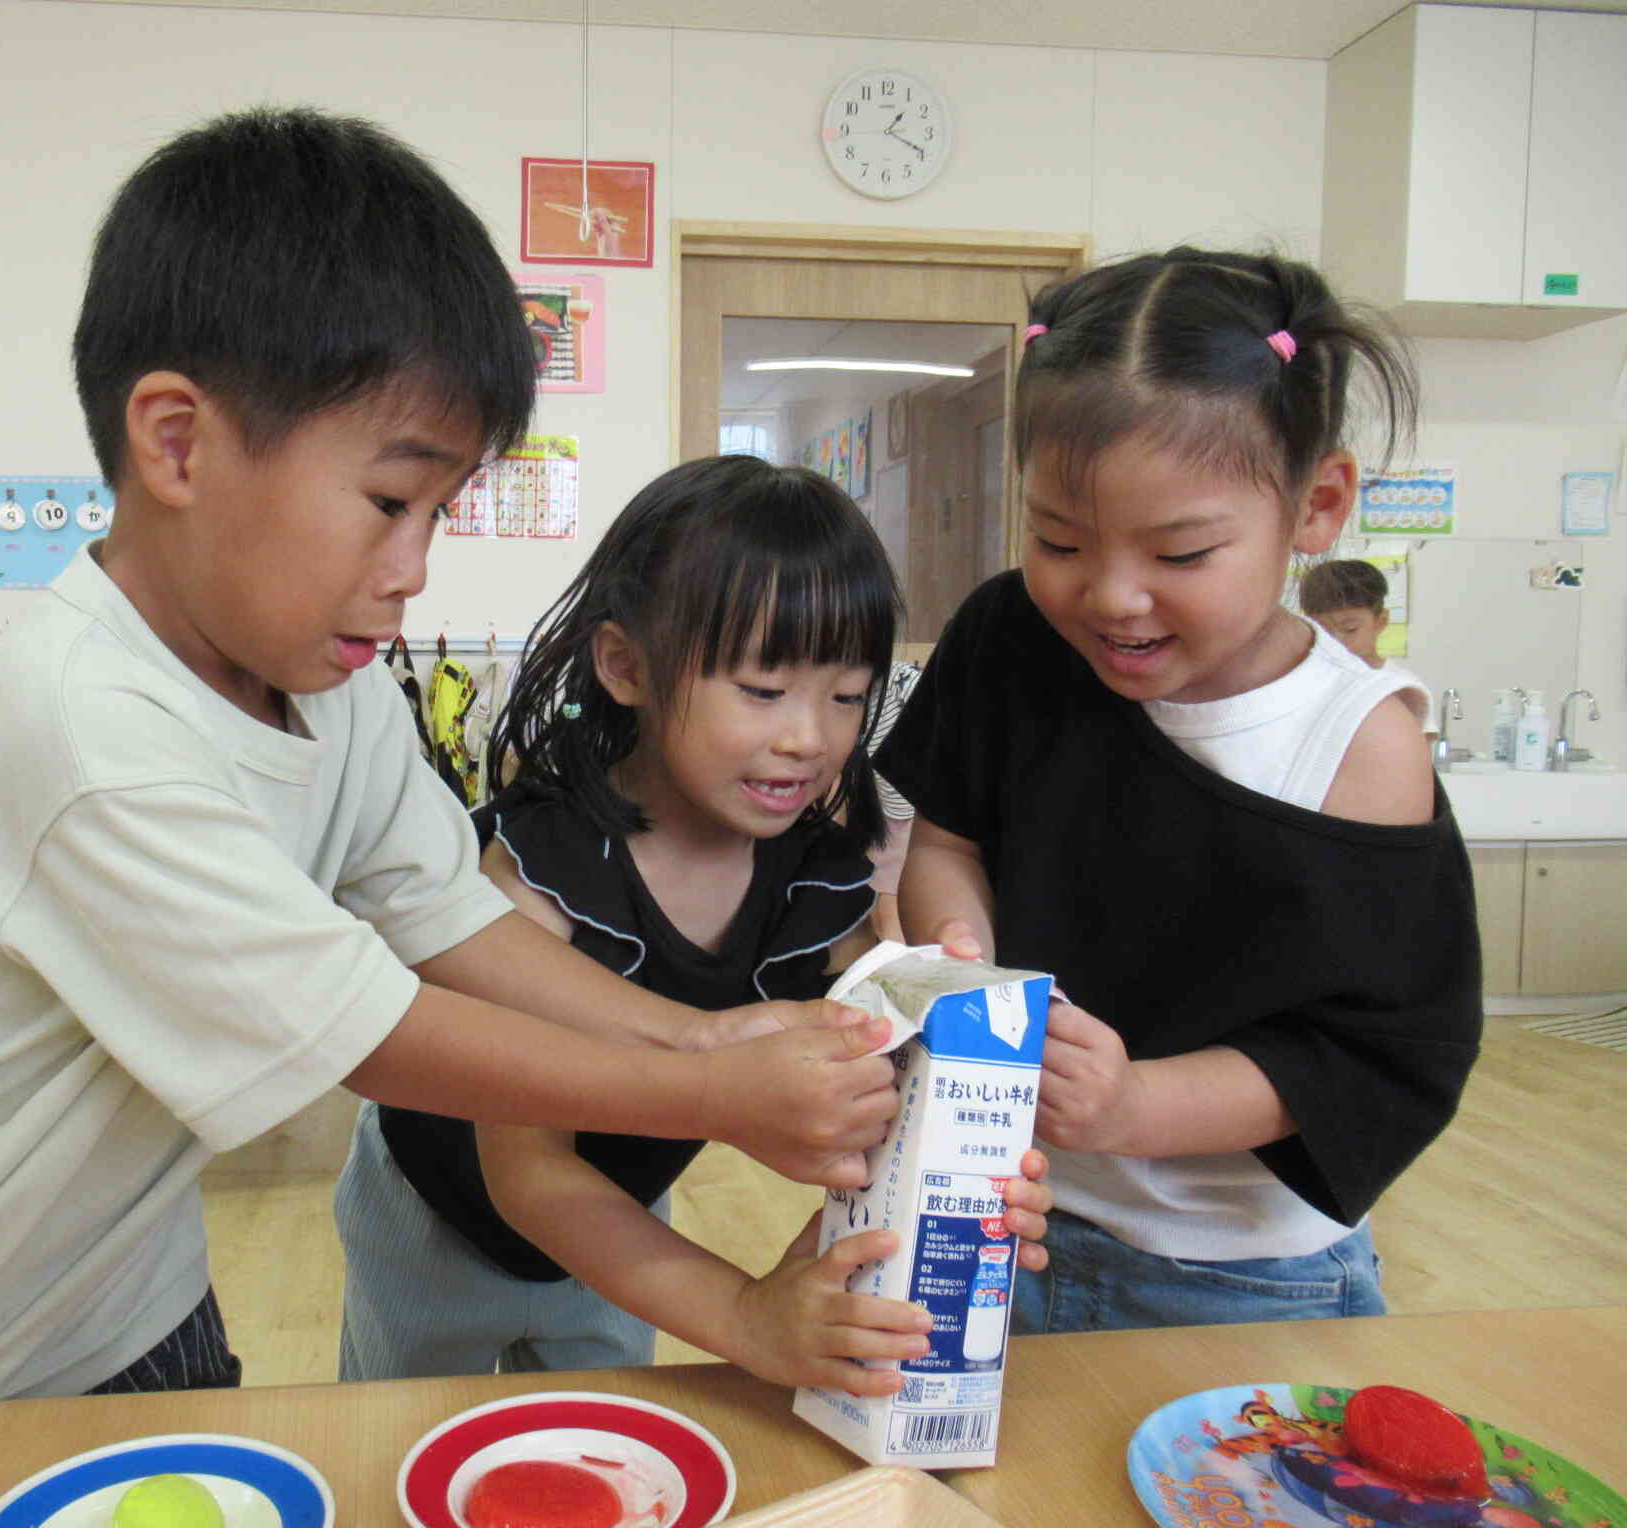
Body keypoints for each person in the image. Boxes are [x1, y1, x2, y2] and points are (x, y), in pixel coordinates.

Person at [0, 109, 903, 1414]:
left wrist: (708, 1038)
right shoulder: (86, 728)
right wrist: (717, 1092)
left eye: (440, 514)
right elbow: (372, 1031)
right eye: (390, 502)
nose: (414, 569)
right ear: (177, 443)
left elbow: (443, 919)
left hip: (137, 1291)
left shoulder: (330, 688)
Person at [335, 455, 1052, 1393]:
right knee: (408, 1444)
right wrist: (746, 1315)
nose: (809, 737)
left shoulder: (815, 882)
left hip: (625, 1216)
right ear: (627, 665)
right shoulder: (540, 873)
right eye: (762, 690)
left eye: (846, 696)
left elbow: (881, 1106)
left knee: (605, 1437)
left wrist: (960, 1158)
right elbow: (528, 1178)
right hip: (437, 1219)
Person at [877, 247, 1483, 1335]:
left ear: (1316, 505)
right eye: (1056, 537)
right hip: (1012, 1207)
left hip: (1245, 1274)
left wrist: (1135, 1104)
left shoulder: (1357, 746)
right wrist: (968, 975)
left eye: (1183, 551)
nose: (1109, 597)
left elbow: (1367, 1053)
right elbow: (947, 842)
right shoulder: (1011, 636)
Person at [1299, 558, 1437, 734]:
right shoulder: (1302, 681)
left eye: (1350, 629)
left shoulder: (1402, 688)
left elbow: (1421, 754)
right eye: (1322, 630)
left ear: (1381, 621)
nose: (1335, 641)